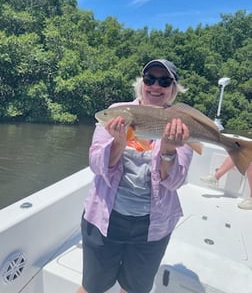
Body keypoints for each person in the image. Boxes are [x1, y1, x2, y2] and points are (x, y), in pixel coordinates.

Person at [76, 59, 194, 293]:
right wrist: (119, 142)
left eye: (164, 81)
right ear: (142, 83)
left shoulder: (179, 123)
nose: (155, 86)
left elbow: (175, 181)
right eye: (150, 79)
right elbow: (95, 163)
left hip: (152, 227)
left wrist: (169, 151)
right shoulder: (118, 112)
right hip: (105, 219)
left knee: (134, 289)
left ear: (173, 88)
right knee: (91, 286)